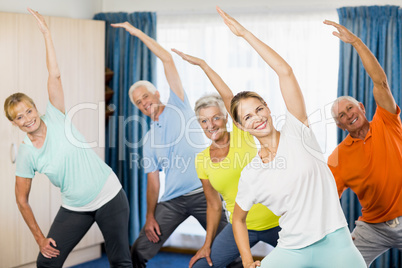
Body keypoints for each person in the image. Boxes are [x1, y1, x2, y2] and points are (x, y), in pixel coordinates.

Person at [212, 7, 366, 268]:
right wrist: (248, 261)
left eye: (259, 109)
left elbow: (285, 71)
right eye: (247, 117)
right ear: (240, 126)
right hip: (292, 250)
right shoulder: (252, 173)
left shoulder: (298, 130)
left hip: (336, 243)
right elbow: (237, 220)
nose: (257, 118)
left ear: (268, 108)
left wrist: (245, 34)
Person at [4, 9, 132, 268]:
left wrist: (46, 35)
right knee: (47, 263)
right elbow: (21, 199)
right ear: (14, 123)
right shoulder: (27, 153)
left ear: (36, 108)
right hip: (75, 206)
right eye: (19, 117)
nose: (27, 118)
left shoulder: (56, 115)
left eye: (29, 110)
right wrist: (40, 238)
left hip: (109, 194)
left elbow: (55, 75)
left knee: (121, 262)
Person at [110, 22, 228, 268]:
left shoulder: (179, 103)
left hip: (204, 193)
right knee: (138, 250)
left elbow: (166, 60)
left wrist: (138, 33)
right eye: (138, 102)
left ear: (157, 94)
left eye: (146, 96)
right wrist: (150, 215)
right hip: (173, 199)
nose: (144, 103)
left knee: (228, 249)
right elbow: (153, 182)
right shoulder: (148, 140)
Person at [172, 49, 281, 268]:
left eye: (215, 118)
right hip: (240, 227)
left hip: (278, 222)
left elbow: (228, 97)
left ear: (227, 118)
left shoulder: (242, 133)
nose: (210, 125)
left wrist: (204, 65)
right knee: (202, 266)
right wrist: (207, 243)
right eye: (203, 121)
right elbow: (213, 205)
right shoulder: (202, 160)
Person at [325, 20, 402, 267]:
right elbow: (326, 198)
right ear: (340, 126)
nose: (348, 115)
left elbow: (380, 82)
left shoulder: (387, 122)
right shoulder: (338, 156)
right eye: (342, 116)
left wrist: (356, 42)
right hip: (372, 227)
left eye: (350, 108)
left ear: (362, 107)